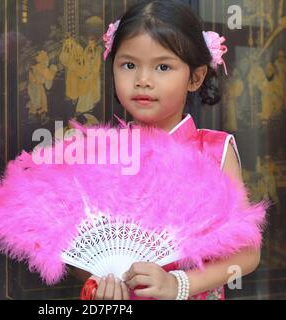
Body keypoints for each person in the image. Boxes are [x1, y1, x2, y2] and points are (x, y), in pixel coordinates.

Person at [70, 0, 260, 300]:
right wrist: (100, 278)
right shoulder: (100, 154)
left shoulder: (214, 151)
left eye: (162, 66)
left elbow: (247, 253)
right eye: (129, 65)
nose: (143, 80)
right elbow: (79, 247)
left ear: (195, 77)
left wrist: (178, 284)